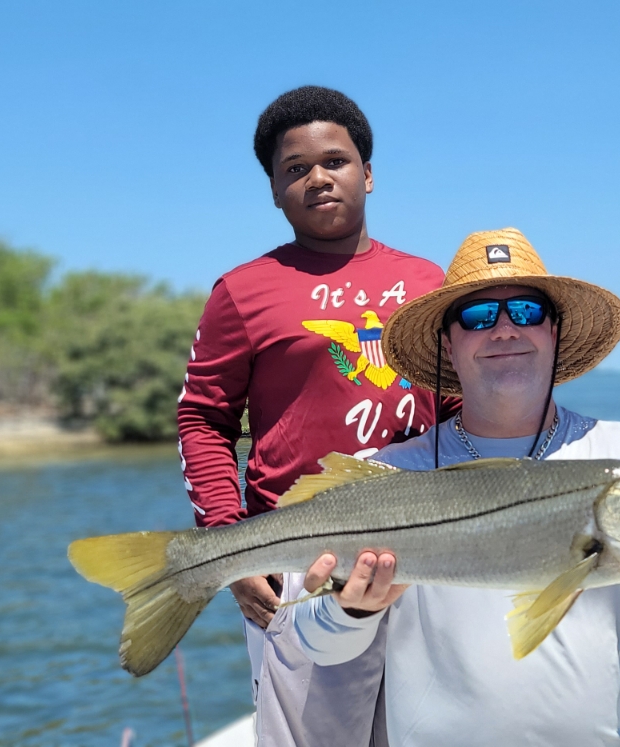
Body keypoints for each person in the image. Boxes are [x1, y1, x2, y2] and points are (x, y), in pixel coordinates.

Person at [288, 228, 620, 746]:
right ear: (448, 344)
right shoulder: (390, 472)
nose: (504, 329)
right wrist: (355, 608)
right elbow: (317, 644)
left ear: (553, 331)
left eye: (527, 311)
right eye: (478, 316)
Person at [175, 86, 453, 741]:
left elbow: (464, 412)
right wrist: (230, 549)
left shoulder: (429, 283)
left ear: (368, 173)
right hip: (300, 563)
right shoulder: (242, 291)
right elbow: (203, 421)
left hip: (428, 546)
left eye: (336, 161)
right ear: (274, 190)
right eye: (295, 168)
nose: (318, 178)